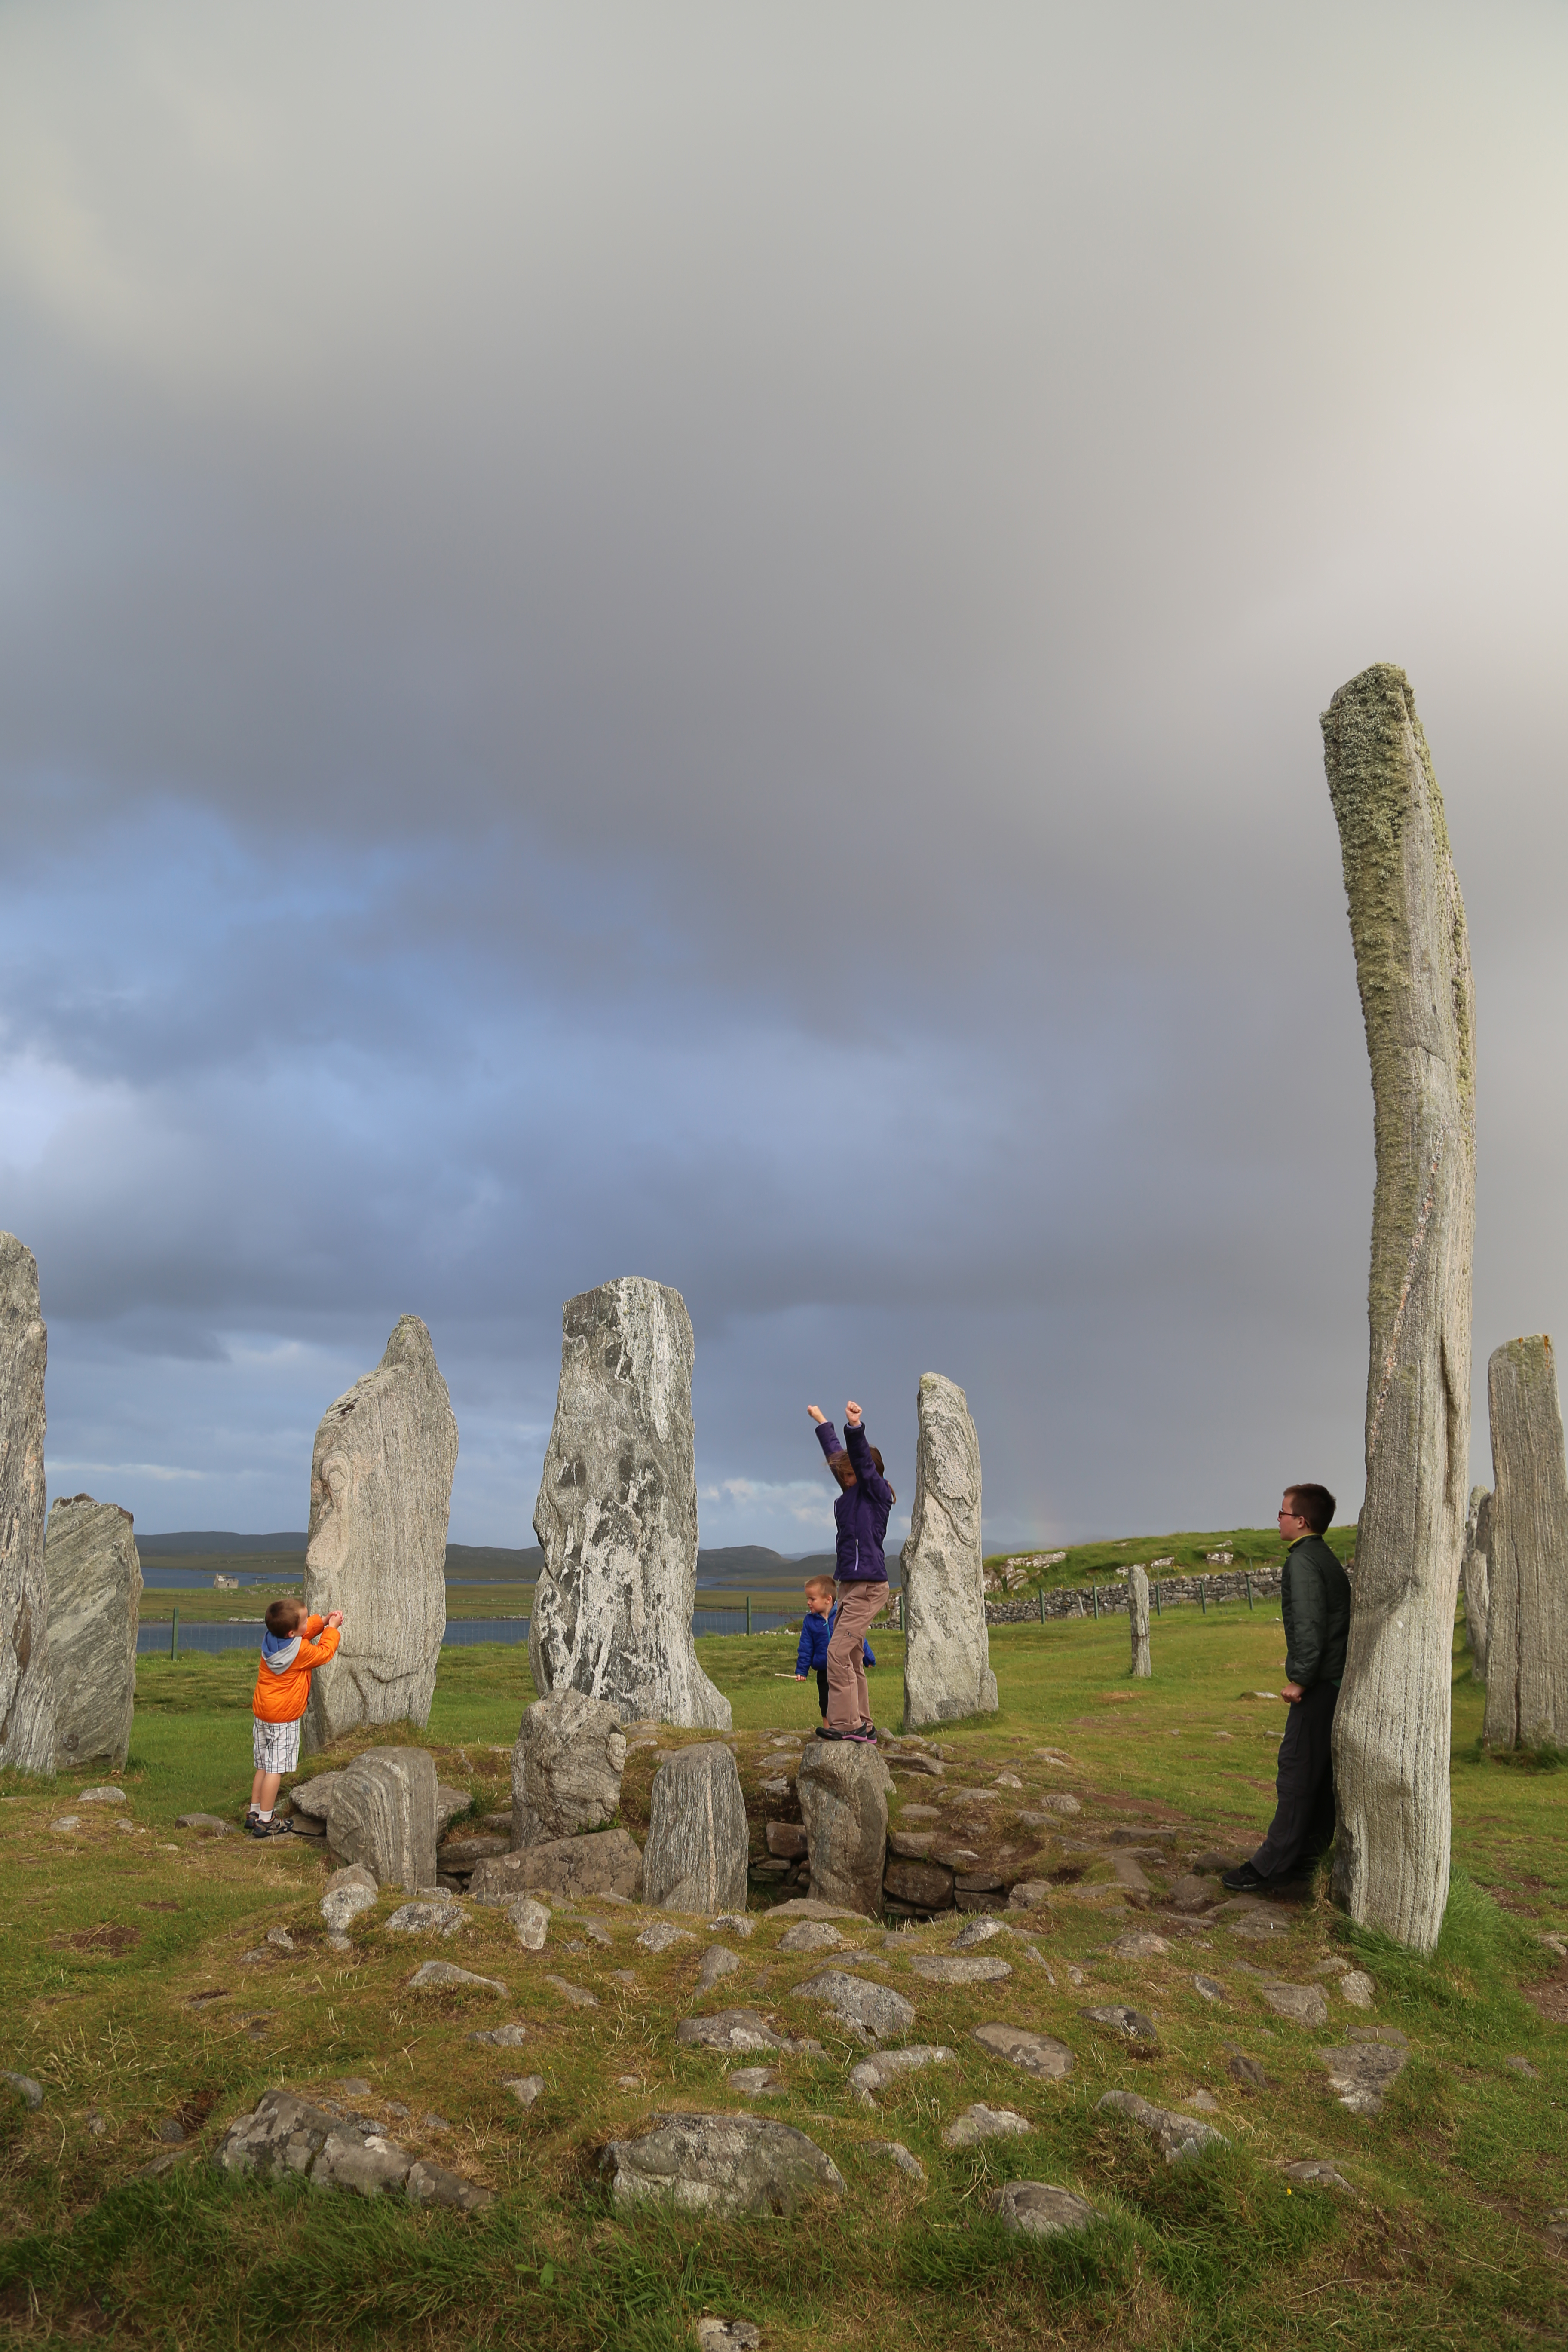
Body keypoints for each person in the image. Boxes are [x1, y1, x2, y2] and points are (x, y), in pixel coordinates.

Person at [1222, 1485, 1351, 1893]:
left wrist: (1300, 1679)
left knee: (1296, 1774)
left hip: (1319, 1687)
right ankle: (1304, 1866)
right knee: (1318, 1778)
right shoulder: (1323, 1558)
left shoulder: (1303, 1562)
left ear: (1302, 1521)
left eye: (1282, 1512)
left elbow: (1309, 1625)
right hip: (1334, 1684)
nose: (1277, 1518)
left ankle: (1269, 1868)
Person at [807, 1400, 893, 1742]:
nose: (845, 1478)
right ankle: (865, 1725)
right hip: (850, 1587)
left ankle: (845, 1725)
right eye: (842, 1475)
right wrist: (822, 1421)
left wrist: (855, 1427)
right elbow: (838, 1458)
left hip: (869, 1587)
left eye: (851, 1473)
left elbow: (858, 1462)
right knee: (852, 1657)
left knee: (837, 1654)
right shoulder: (849, 1494)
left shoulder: (876, 1494)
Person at [248, 1597, 344, 1838]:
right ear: (293, 1632)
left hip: (264, 1712)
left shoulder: (272, 1640)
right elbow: (323, 1653)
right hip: (284, 1717)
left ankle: (255, 1812)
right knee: (275, 1769)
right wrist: (331, 1630)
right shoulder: (299, 1652)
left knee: (263, 1764)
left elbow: (298, 1634)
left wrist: (320, 1622)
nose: (307, 1624)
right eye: (305, 1620)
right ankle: (267, 1821)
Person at [795, 1573, 877, 1718]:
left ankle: (851, 1727)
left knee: (848, 1699)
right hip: (824, 1669)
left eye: (812, 1599)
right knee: (826, 1703)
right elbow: (806, 1648)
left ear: (828, 1600)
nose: (809, 1602)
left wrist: (868, 1657)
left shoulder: (843, 1616)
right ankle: (828, 1733)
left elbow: (858, 1638)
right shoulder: (809, 1622)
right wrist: (802, 1671)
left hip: (845, 1667)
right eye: (808, 1599)